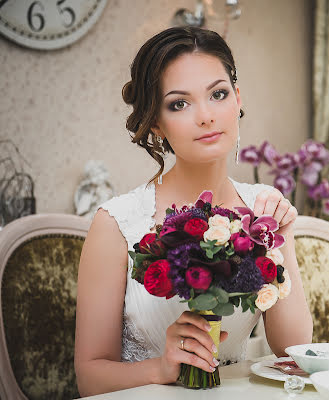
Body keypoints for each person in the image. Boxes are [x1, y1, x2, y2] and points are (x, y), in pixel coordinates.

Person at [74, 26, 313, 396]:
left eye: (218, 94)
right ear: (156, 121)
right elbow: (89, 378)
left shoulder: (261, 208)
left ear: (237, 98)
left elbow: (293, 350)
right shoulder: (117, 223)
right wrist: (162, 368)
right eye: (179, 103)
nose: (205, 116)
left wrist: (284, 237)